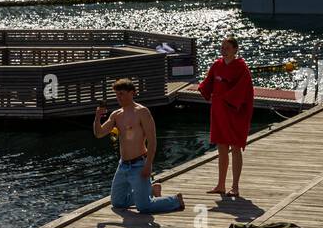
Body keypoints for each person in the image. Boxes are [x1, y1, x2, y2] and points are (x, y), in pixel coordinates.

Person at [94, 78, 184, 215]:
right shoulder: (116, 115)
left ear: (132, 93)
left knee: (144, 208)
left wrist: (148, 165)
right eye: (117, 94)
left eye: (122, 94)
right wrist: (97, 117)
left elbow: (152, 141)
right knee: (117, 202)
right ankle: (151, 190)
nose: (119, 97)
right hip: (123, 165)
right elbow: (99, 133)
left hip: (139, 164)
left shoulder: (142, 112)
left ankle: (175, 200)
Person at [198, 35, 255, 198]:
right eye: (222, 48)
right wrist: (202, 88)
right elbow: (209, 82)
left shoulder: (241, 67)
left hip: (235, 111)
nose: (224, 51)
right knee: (221, 147)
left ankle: (235, 186)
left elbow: (244, 90)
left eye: (227, 48)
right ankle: (220, 185)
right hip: (218, 111)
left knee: (235, 147)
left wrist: (228, 98)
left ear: (235, 49)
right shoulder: (217, 65)